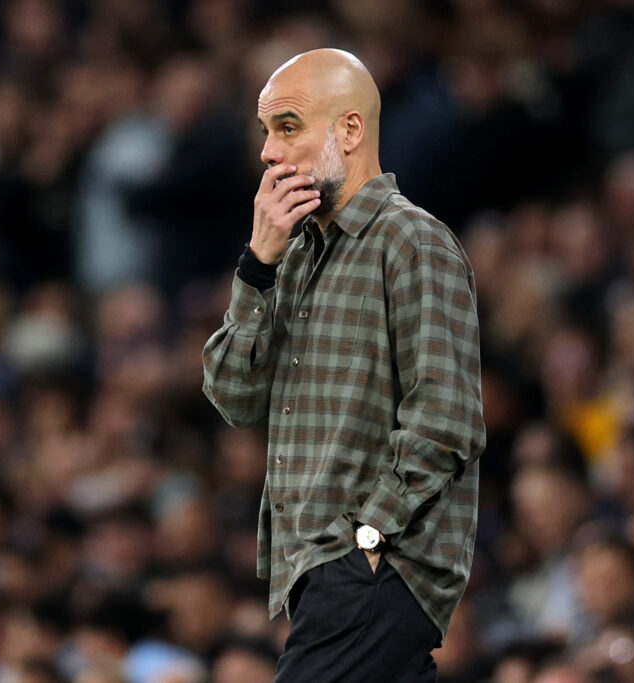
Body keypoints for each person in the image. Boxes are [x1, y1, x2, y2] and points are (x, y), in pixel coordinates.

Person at [202, 49, 486, 681]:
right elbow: (233, 397)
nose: (268, 152)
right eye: (266, 131)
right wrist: (257, 265)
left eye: (288, 127)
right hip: (321, 573)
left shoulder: (411, 239)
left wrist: (368, 539)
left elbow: (445, 420)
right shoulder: (292, 254)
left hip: (371, 568)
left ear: (350, 130)